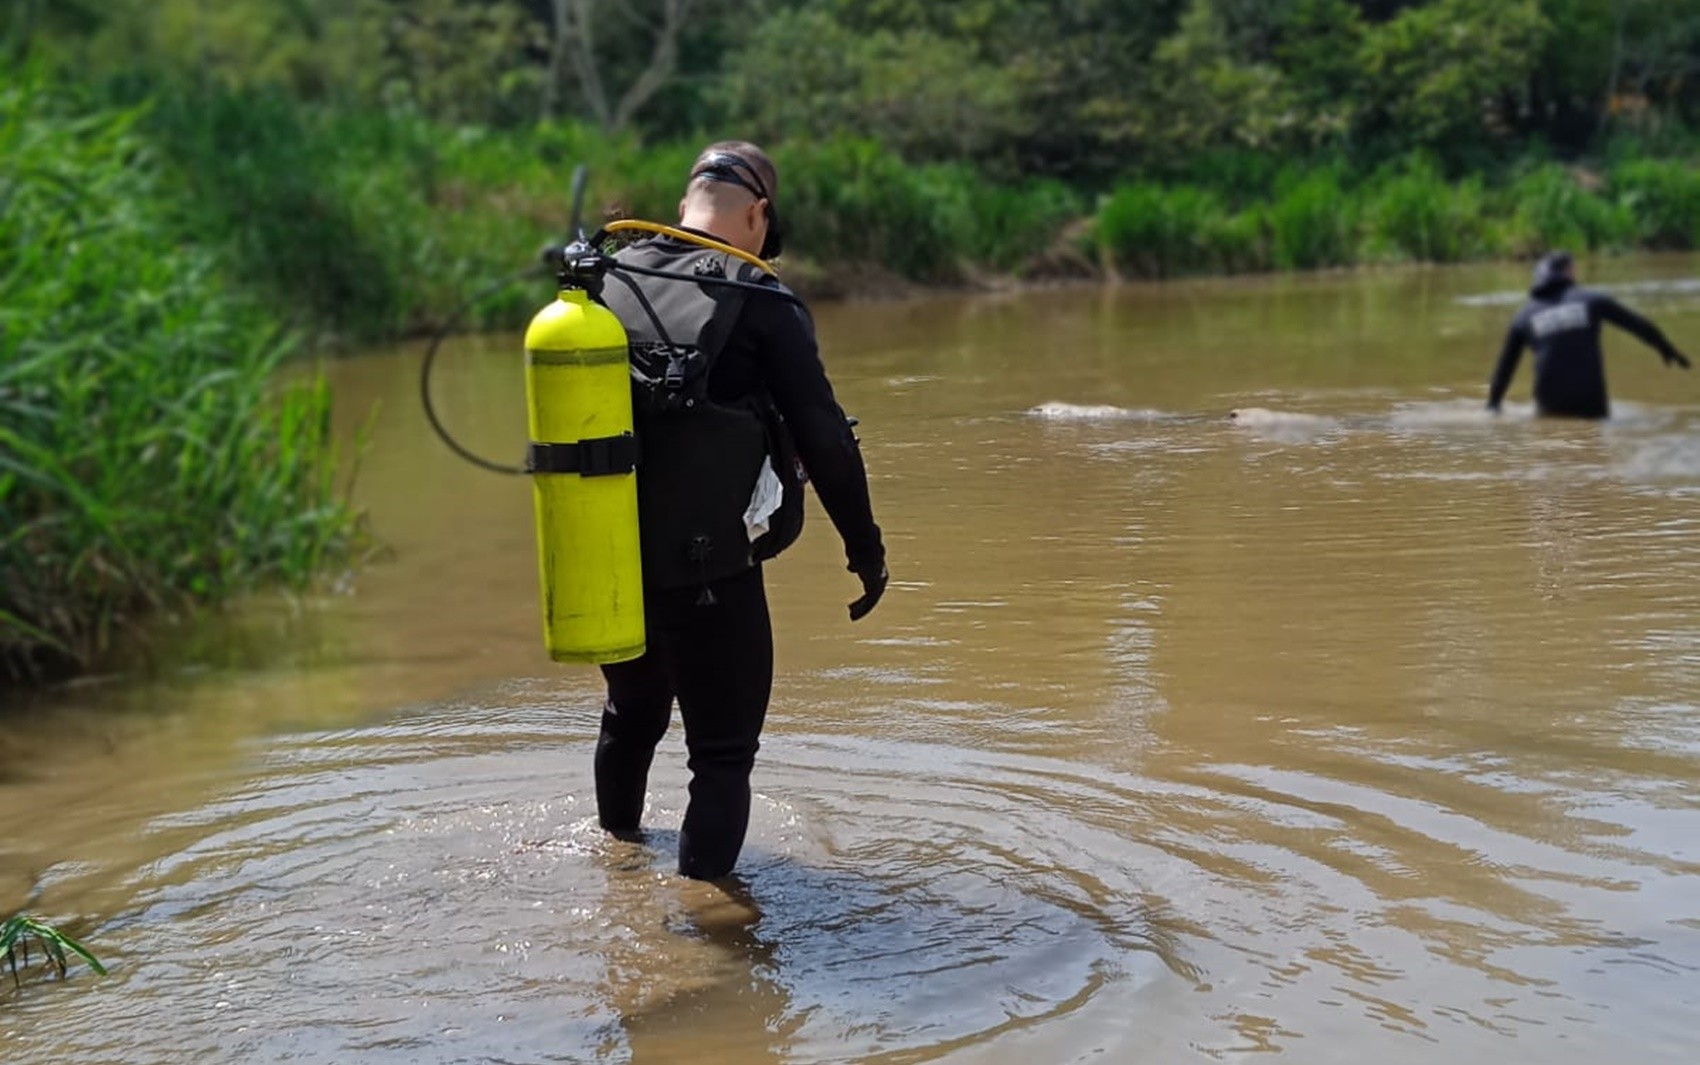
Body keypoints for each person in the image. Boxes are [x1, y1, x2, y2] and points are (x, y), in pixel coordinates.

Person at [591, 141, 888, 880]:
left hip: (604, 559)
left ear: (689, 195)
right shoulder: (760, 297)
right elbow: (822, 436)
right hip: (709, 571)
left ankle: (616, 874)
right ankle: (704, 936)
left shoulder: (604, 276)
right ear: (757, 213)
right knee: (721, 756)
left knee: (631, 717)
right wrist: (866, 550)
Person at [1488, 251, 1690, 418]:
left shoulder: (1524, 316)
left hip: (1550, 407)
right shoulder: (1591, 300)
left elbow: (1504, 369)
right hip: (1591, 404)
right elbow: (1637, 324)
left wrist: (1493, 406)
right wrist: (1666, 348)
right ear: (1569, 271)